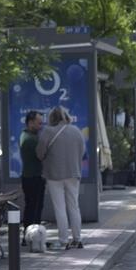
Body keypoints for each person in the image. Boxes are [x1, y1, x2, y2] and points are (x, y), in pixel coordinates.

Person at [37, 106, 87, 249]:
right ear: (66, 116)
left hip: (54, 174)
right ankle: (77, 238)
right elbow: (82, 152)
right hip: (73, 173)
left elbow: (40, 153)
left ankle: (63, 240)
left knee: (60, 208)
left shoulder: (48, 131)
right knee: (74, 206)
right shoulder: (76, 131)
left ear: (52, 118)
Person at [17, 110, 46, 228]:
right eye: (39, 123)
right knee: (34, 207)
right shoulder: (31, 139)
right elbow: (42, 155)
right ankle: (31, 232)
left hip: (30, 176)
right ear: (30, 123)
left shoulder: (27, 135)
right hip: (34, 176)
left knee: (32, 205)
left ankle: (30, 232)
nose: (41, 126)